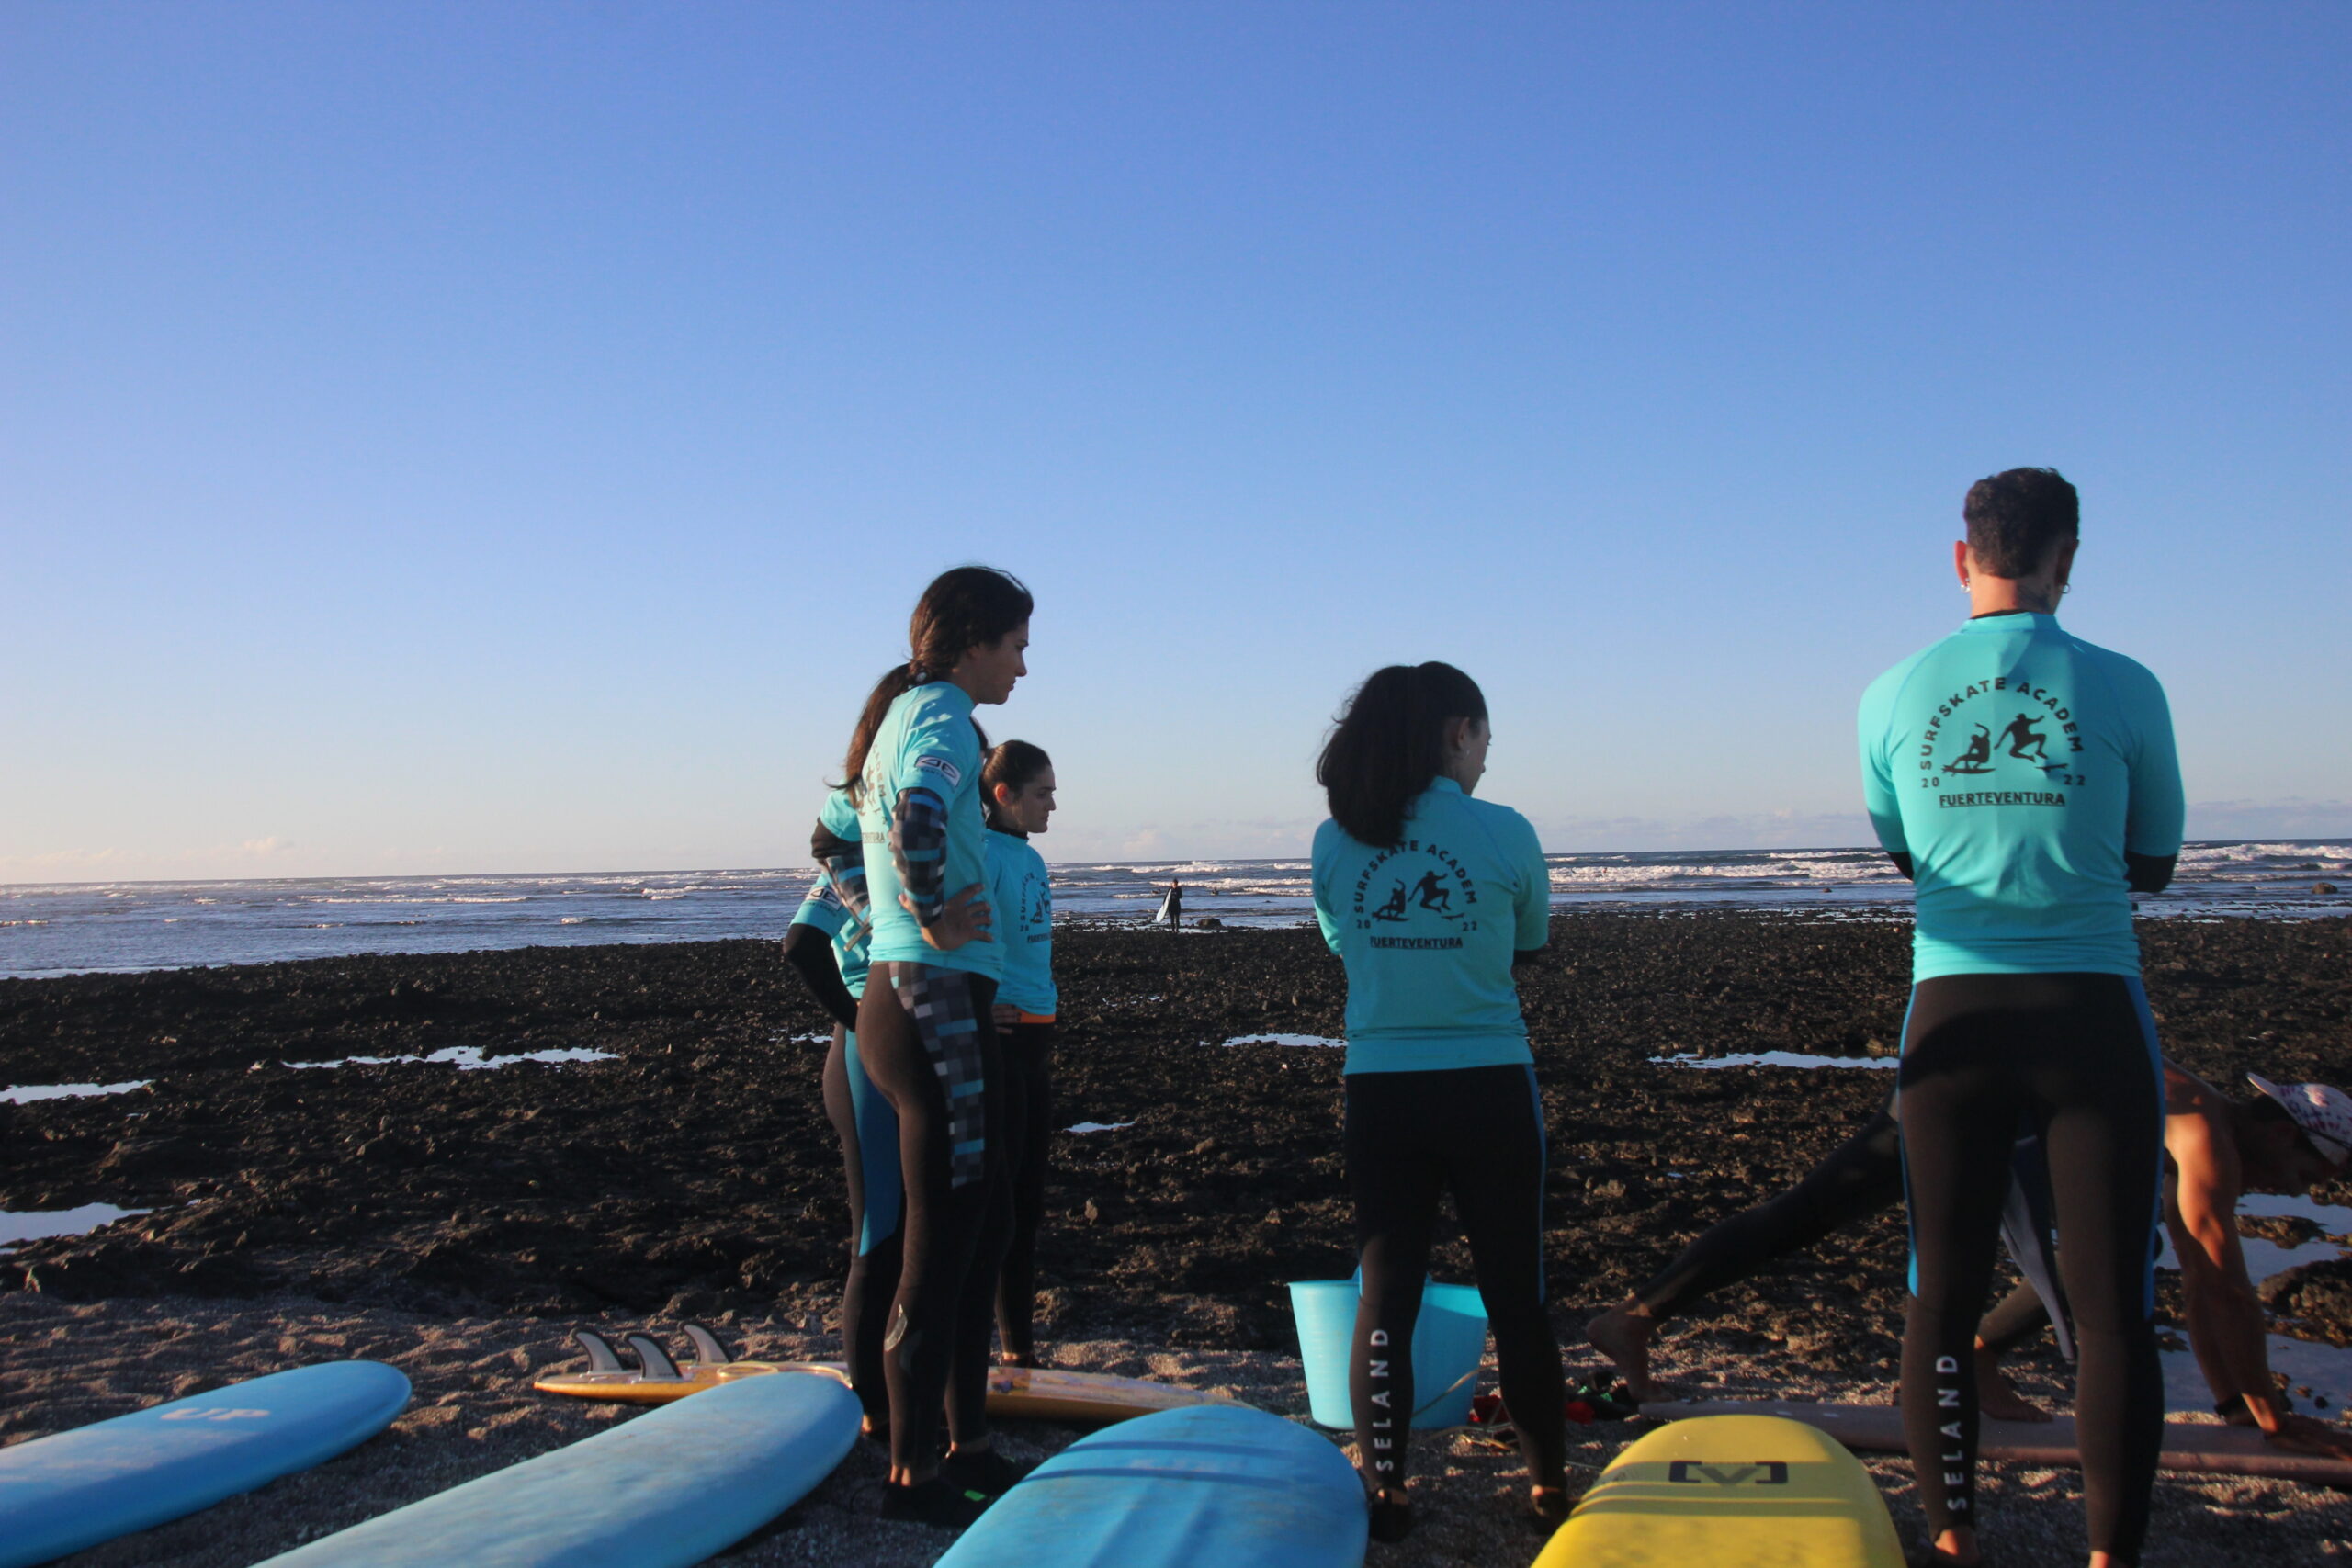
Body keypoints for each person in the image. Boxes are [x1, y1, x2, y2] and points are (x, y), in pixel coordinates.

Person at [1859, 468, 2183, 1568]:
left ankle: (1951, 1536)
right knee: (2108, 1311)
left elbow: (1907, 855)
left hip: (1950, 1015)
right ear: (2065, 563)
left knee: (1937, 1297)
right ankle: (2109, 1557)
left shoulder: (1890, 692)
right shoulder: (2128, 685)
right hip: (2090, 1014)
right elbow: (2154, 865)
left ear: (1961, 561)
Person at [1309, 661, 1567, 1541]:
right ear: (1457, 731)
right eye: (1486, 738)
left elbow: (1347, 943)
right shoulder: (1505, 831)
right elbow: (1527, 941)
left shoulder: (1336, 839)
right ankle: (1546, 1488)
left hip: (1382, 1090)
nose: (1488, 759)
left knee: (1386, 1293)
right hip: (1489, 1084)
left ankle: (1386, 1491)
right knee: (1516, 1292)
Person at [848, 565, 1033, 1527]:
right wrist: (926, 917)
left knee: (985, 1222)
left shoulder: (904, 714)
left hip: (926, 992)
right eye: (1015, 644)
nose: (1023, 666)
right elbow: (918, 814)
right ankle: (913, 1473)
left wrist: (898, 922)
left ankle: (967, 1443)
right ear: (972, 640)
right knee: (942, 1239)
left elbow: (837, 835)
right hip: (928, 997)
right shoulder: (939, 716)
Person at [1584, 1088, 2068, 1422]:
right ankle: (1972, 1354)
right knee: (2118, 1250)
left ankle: (1635, 1317)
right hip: (1988, 1078)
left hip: (1987, 1071)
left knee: (1805, 1213)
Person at [1987, 1065, 2352, 1460]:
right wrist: (2276, 1424)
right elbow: (2229, 1293)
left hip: (2039, 1120)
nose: (2295, 1192)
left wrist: (2235, 1405)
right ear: (2282, 1134)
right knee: (2118, 1249)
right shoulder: (2205, 1137)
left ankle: (1975, 1353)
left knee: (2129, 1244)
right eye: (2303, 1175)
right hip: (1994, 1111)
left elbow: (2199, 1280)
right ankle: (1973, 1357)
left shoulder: (2196, 1136)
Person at [782, 787, 897, 1443]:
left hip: (870, 1051)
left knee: (901, 1230)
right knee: (876, 1234)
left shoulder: (875, 866)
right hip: (859, 1058)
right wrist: (858, 1020)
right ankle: (874, 1411)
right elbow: (799, 946)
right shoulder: (844, 870)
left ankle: (891, 1385)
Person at [981, 739, 1058, 1367]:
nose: (1053, 804)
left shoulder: (1030, 858)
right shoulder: (981, 854)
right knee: (998, 1206)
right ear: (1004, 795)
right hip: (1001, 1042)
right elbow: (937, 934)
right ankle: (979, 1348)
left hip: (1040, 1035)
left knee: (1028, 1203)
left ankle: (1020, 1350)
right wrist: (974, 1005)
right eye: (1042, 792)